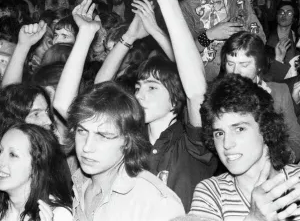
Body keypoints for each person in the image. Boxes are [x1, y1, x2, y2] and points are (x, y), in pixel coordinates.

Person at [53, 0, 217, 212]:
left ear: (176, 99)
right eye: (139, 86)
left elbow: (196, 90)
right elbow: (98, 93)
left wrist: (168, 3)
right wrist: (122, 37)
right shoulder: (126, 139)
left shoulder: (189, 143)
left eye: (152, 87)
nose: (139, 94)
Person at [189, 73, 300, 221]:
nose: (227, 144)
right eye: (219, 133)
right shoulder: (211, 193)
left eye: (239, 129)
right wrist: (254, 218)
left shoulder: (297, 180)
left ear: (265, 127)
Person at [67, 81, 185, 220]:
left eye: (103, 136)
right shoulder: (79, 183)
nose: (87, 146)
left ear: (128, 142)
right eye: (82, 131)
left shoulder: (155, 203)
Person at [180, 0, 266, 81]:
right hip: (205, 80)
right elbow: (182, 52)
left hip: (240, 76)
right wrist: (210, 35)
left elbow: (259, 37)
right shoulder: (187, 6)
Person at [220, 31, 300, 162]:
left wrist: (278, 158)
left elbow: (296, 139)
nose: (235, 72)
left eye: (244, 64)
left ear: (258, 66)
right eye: (230, 63)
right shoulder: (217, 96)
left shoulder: (279, 92)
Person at [0, 123, 72, 221]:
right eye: (0, 151)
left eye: (12, 155)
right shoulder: (4, 209)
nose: (1, 160)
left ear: (36, 166)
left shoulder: (58, 215)